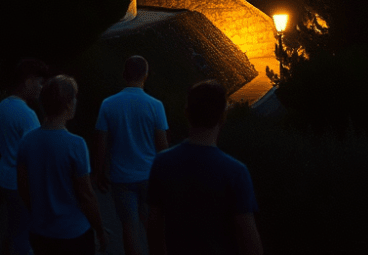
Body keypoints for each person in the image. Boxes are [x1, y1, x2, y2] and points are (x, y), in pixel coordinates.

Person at [146, 80, 262, 255]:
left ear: (186, 112)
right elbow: (250, 241)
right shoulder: (236, 172)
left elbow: (154, 225)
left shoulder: (162, 163)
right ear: (223, 116)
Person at [17, 75, 109, 255]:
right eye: (74, 97)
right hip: (73, 234)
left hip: (40, 233)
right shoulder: (75, 144)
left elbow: (23, 187)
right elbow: (86, 195)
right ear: (67, 104)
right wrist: (100, 230)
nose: (76, 101)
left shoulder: (26, 142)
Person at [93, 55, 169, 255]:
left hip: (121, 178)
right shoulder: (156, 105)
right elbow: (162, 146)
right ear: (145, 75)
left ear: (124, 74)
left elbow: (101, 143)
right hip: (149, 176)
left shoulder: (108, 104)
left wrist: (99, 173)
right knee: (153, 228)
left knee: (129, 229)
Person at [0, 58, 50, 255]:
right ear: (28, 81)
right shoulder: (27, 114)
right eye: (39, 82)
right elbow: (36, 153)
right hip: (23, 184)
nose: (40, 88)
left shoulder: (3, 106)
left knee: (12, 230)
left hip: (5, 178)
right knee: (24, 236)